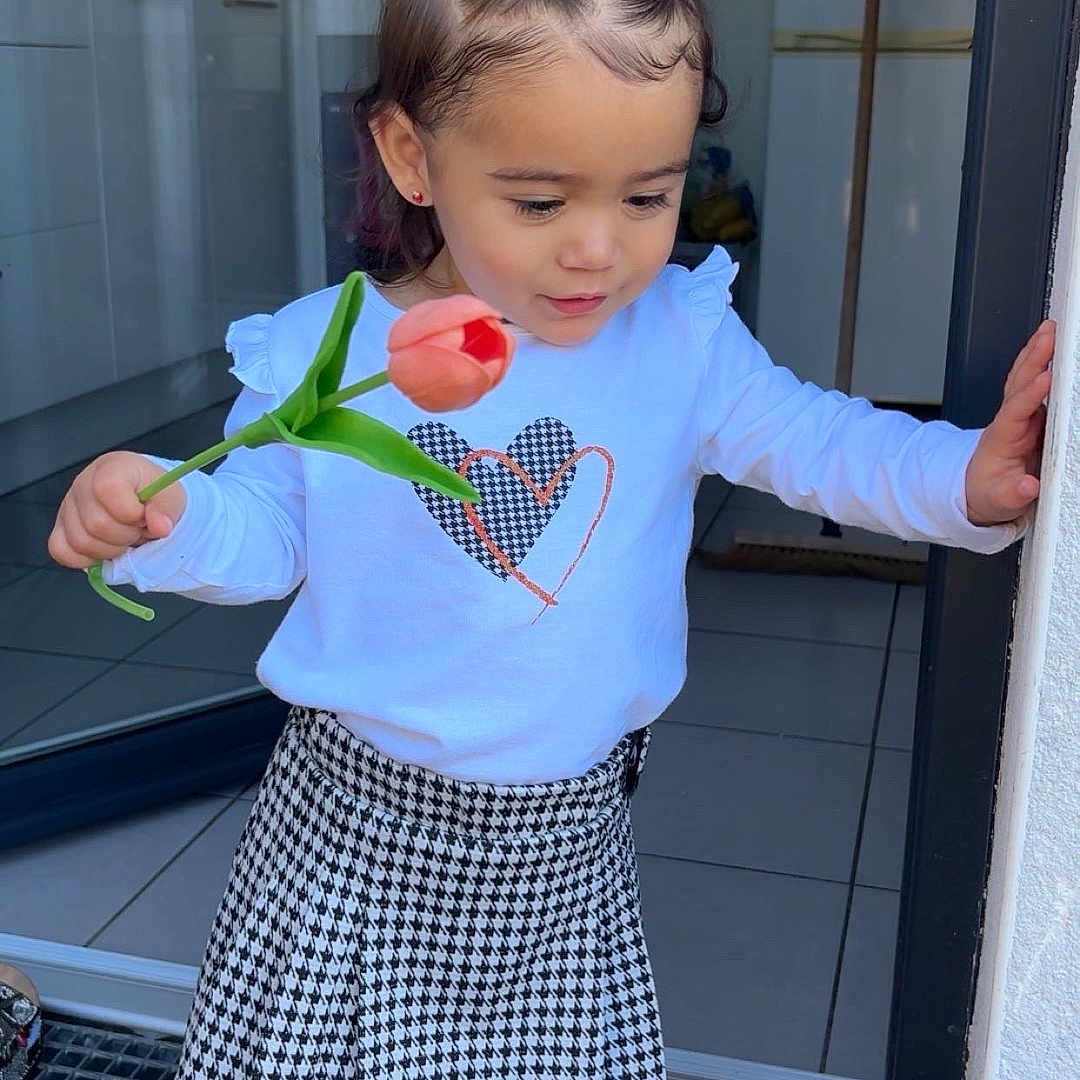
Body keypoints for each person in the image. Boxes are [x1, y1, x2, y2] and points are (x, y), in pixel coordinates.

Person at [47, 0, 1054, 1076]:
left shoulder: (677, 337)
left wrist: (964, 479)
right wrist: (170, 515)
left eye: (648, 195)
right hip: (351, 834)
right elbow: (269, 533)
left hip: (566, 850)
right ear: (410, 155)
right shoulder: (330, 356)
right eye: (537, 199)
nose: (597, 248)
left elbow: (818, 442)